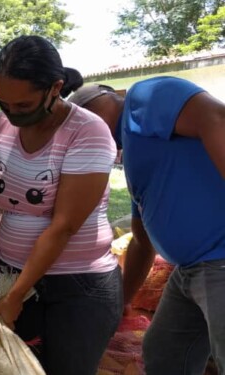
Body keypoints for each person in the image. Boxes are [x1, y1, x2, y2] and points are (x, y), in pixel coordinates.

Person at [0, 35, 122, 375]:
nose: (11, 114)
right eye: (5, 104)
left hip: (77, 287)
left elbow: (63, 226)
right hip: (10, 274)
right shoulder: (1, 123)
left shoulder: (87, 131)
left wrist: (16, 296)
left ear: (55, 88)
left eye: (23, 106)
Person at [68, 79, 225, 374]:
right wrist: (121, 304)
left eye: (81, 115)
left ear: (109, 97)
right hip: (190, 271)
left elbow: (216, 118)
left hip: (220, 260)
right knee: (165, 354)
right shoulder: (132, 156)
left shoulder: (144, 97)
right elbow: (142, 242)